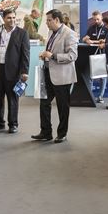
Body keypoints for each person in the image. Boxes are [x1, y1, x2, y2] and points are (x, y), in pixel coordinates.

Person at [32, 9, 77, 143]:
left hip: (62, 76)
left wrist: (53, 56)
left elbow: (73, 55)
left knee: (62, 107)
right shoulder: (51, 32)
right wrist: (44, 55)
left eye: (49, 20)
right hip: (48, 73)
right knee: (44, 103)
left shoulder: (69, 33)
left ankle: (62, 134)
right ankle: (46, 132)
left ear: (57, 20)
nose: (46, 23)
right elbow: (50, 50)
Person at [0, 9, 30, 134]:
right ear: (3, 19)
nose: (12, 20)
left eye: (13, 18)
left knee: (13, 99)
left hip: (13, 71)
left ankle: (13, 124)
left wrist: (24, 71)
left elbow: (25, 54)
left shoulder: (22, 33)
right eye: (9, 18)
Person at [82, 10, 107, 104]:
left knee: (102, 76)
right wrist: (86, 40)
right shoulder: (92, 27)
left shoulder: (106, 28)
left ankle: (100, 96)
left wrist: (93, 42)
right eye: (94, 19)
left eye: (98, 19)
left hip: (102, 54)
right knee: (90, 76)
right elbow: (85, 38)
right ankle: (90, 96)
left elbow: (106, 41)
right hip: (92, 54)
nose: (96, 21)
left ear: (101, 17)